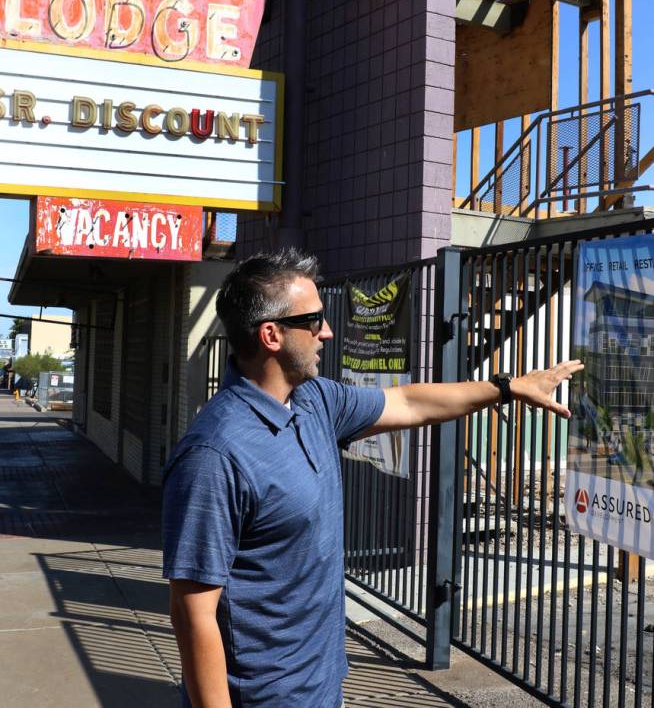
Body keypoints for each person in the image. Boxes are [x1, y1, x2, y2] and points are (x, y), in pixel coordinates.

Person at [162, 249, 582, 708]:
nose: (327, 331)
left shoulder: (314, 401)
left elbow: (409, 402)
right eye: (314, 319)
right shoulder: (215, 454)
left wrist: (505, 387)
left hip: (322, 683)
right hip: (264, 696)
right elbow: (193, 613)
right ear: (271, 335)